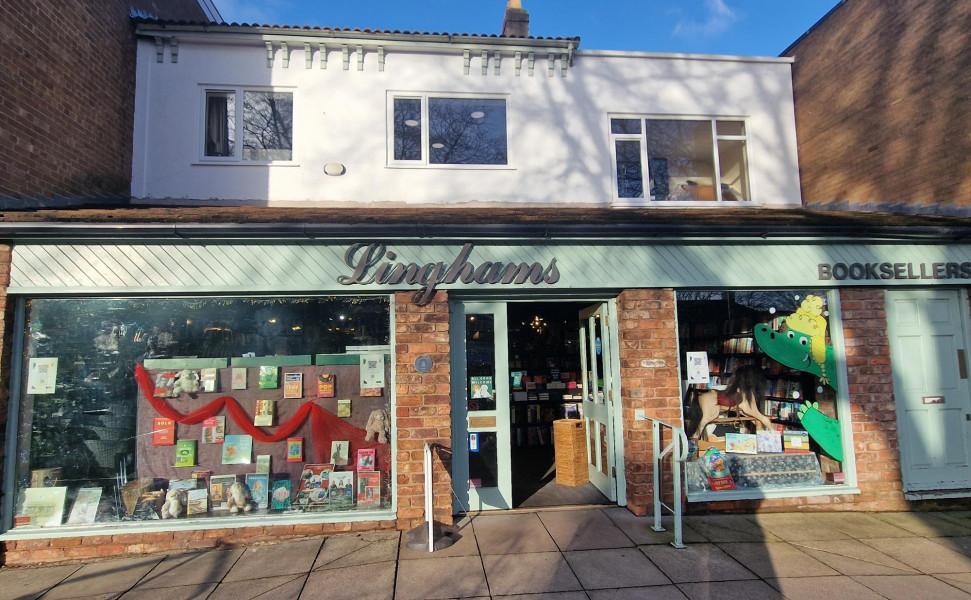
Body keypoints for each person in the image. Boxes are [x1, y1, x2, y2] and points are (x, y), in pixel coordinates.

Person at [691, 364, 773, 440]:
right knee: (704, 420)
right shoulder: (745, 395)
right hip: (714, 401)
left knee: (702, 421)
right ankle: (773, 434)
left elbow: (747, 413)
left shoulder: (740, 392)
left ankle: (695, 437)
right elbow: (755, 414)